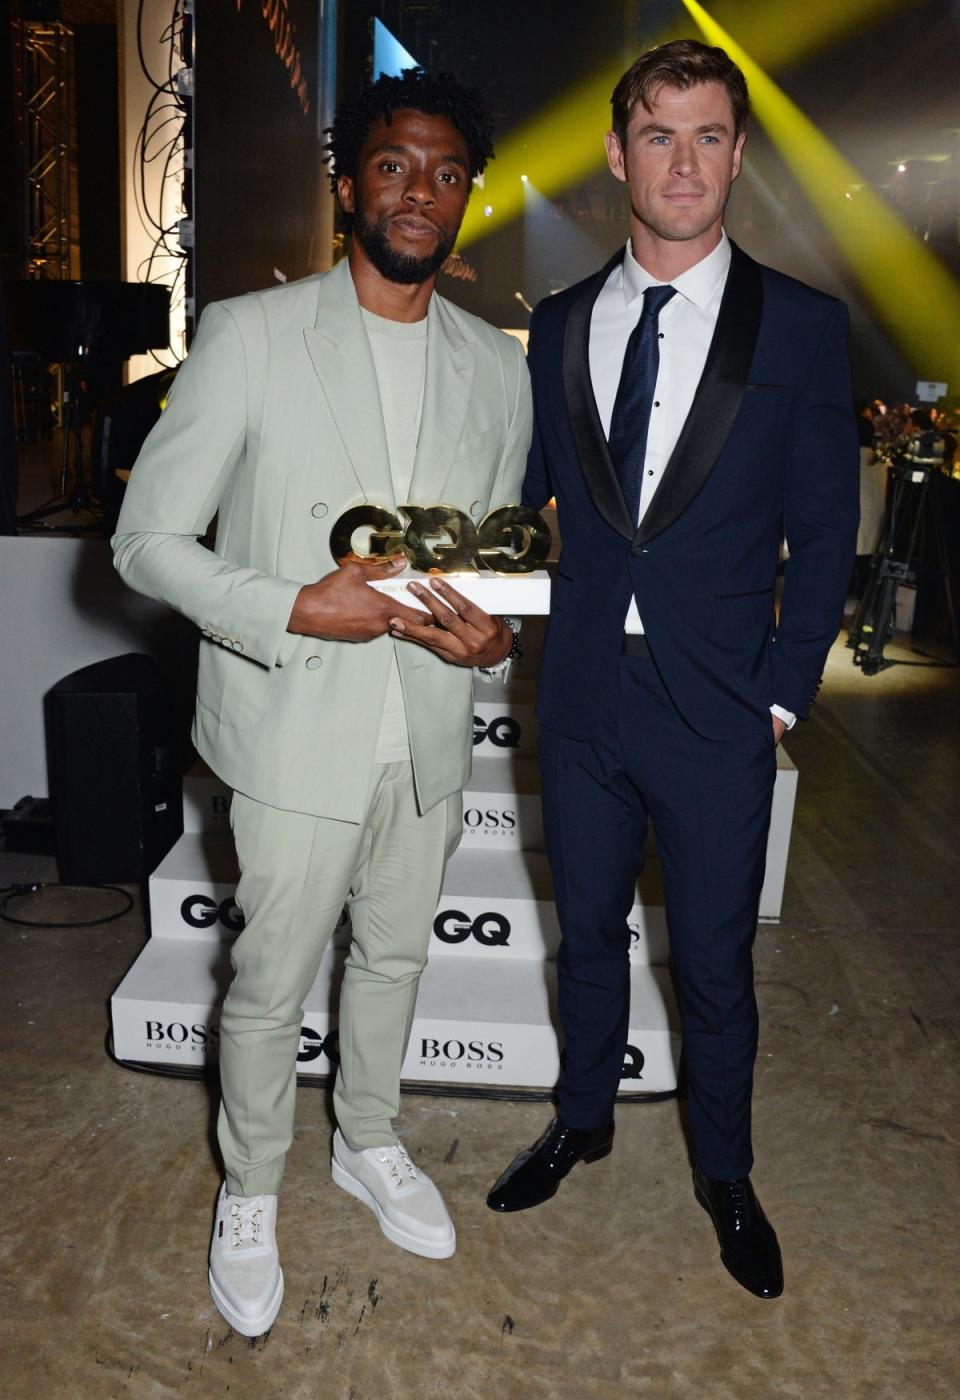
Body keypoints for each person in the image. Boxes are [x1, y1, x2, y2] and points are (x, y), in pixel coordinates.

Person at [112, 68, 531, 1336]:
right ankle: (249, 1187)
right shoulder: (248, 334)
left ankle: (366, 1138)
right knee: (270, 979)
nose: (421, 190)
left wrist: (491, 643)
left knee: (396, 956)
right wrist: (298, 602)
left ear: (469, 198)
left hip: (427, 734)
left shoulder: (495, 372)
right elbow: (145, 540)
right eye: (396, 165)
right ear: (350, 183)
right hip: (293, 719)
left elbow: (489, 566)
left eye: (448, 171)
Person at [486, 40, 858, 1300]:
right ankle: (582, 1116)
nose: (684, 161)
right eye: (659, 135)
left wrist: (779, 692)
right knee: (584, 932)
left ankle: (727, 1171)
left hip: (717, 712)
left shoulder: (803, 328)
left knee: (713, 961)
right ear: (615, 154)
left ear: (739, 154)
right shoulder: (561, 325)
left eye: (709, 135)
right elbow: (530, 504)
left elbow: (824, 536)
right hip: (583, 697)